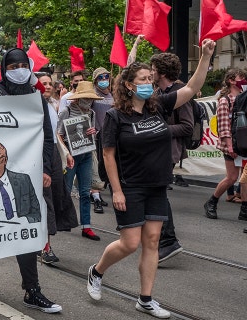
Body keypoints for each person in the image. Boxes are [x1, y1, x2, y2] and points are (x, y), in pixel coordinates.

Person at [87, 39, 215, 319]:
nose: (150, 82)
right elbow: (108, 155)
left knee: (153, 240)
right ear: (130, 85)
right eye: (143, 79)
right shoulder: (115, 116)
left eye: (151, 78)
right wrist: (117, 191)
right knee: (130, 243)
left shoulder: (159, 107)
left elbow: (192, 88)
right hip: (130, 186)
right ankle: (97, 271)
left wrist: (205, 56)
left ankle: (145, 298)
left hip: (157, 184)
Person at [0, 48, 61, 314]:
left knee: (25, 229)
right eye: (12, 66)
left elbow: (47, 136)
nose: (18, 69)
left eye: (22, 64)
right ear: (4, 68)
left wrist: (45, 169)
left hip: (25, 173)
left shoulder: (35, 96)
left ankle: (32, 291)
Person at [149, 52, 195, 262]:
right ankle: (159, 237)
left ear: (161, 72)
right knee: (153, 191)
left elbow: (187, 127)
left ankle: (168, 241)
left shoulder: (178, 94)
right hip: (159, 150)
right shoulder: (160, 91)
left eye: (153, 69)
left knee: (157, 192)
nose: (151, 72)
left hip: (169, 151)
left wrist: (159, 129)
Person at [38, 73, 79, 263]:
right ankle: (45, 247)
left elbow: (54, 135)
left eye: (49, 83)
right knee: (44, 200)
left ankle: (42, 244)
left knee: (54, 198)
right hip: (37, 158)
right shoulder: (33, 107)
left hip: (52, 156)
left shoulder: (53, 106)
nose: (47, 86)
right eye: (43, 83)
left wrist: (66, 153)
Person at [57, 81, 102, 241]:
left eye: (91, 99)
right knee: (66, 189)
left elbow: (92, 135)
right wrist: (67, 153)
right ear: (78, 98)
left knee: (85, 191)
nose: (88, 102)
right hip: (71, 156)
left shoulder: (92, 114)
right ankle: (62, 220)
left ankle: (86, 226)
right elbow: (59, 134)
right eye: (85, 98)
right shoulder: (66, 111)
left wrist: (93, 132)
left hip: (87, 155)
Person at [204, 68, 247, 220]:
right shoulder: (225, 100)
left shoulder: (243, 98)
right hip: (232, 145)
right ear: (231, 80)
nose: (243, 79)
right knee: (232, 177)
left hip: (244, 144)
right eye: (240, 77)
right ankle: (212, 202)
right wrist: (230, 146)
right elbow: (223, 127)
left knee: (245, 177)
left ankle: (244, 210)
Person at [90, 67, 114, 214]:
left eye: (106, 76)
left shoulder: (114, 95)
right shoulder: (92, 95)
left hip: (112, 137)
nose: (104, 79)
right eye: (100, 77)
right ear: (95, 80)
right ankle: (96, 198)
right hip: (97, 137)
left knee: (110, 168)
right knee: (97, 168)